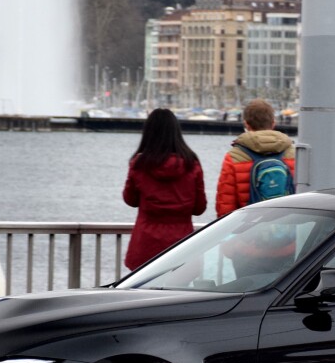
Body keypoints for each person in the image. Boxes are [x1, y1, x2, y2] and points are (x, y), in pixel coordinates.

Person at [122, 108, 206, 270]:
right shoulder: (191, 163)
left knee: (143, 293)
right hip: (182, 245)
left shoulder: (139, 164)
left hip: (145, 244)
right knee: (178, 293)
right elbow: (199, 208)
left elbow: (130, 199)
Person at [215, 99, 296, 216]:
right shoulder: (293, 154)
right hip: (286, 224)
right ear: (273, 123)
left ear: (246, 124)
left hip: (249, 228)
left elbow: (225, 205)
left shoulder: (234, 157)